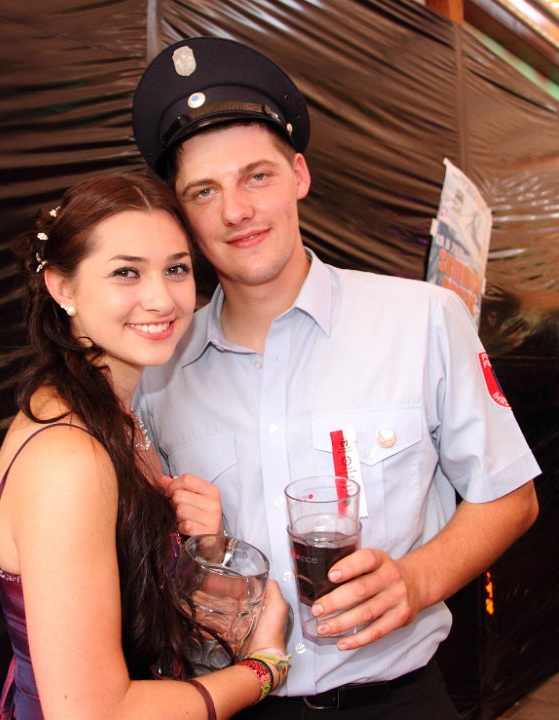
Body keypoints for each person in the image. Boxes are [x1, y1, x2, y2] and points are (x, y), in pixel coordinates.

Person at [132, 37, 541, 719]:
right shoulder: (157, 372)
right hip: (234, 701)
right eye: (204, 190)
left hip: (398, 701)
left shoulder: (421, 321)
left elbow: (511, 496)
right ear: (180, 212)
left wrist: (414, 581)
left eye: (256, 176)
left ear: (298, 174)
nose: (236, 211)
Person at [0, 172, 291, 720]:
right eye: (126, 272)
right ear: (63, 288)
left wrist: (201, 550)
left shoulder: (115, 417)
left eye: (176, 269)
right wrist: (265, 668)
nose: (161, 299)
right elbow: (94, 712)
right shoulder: (69, 457)